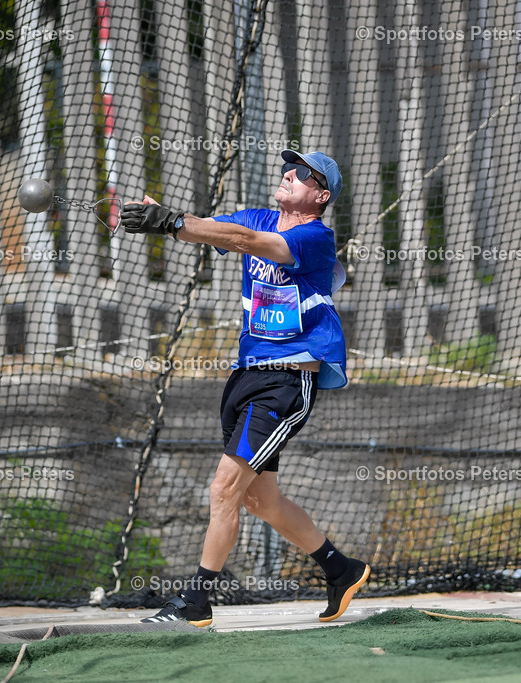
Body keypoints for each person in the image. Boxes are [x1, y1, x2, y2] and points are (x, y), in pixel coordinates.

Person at [121, 149, 369, 627]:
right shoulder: (257, 215)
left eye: (304, 174)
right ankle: (342, 570)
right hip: (247, 375)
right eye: (289, 167)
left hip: (287, 380)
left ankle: (195, 602)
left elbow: (243, 239)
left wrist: (173, 221)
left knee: (224, 490)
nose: (289, 173)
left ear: (321, 195)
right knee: (261, 500)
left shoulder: (316, 237)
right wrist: (164, 218)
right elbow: (213, 227)